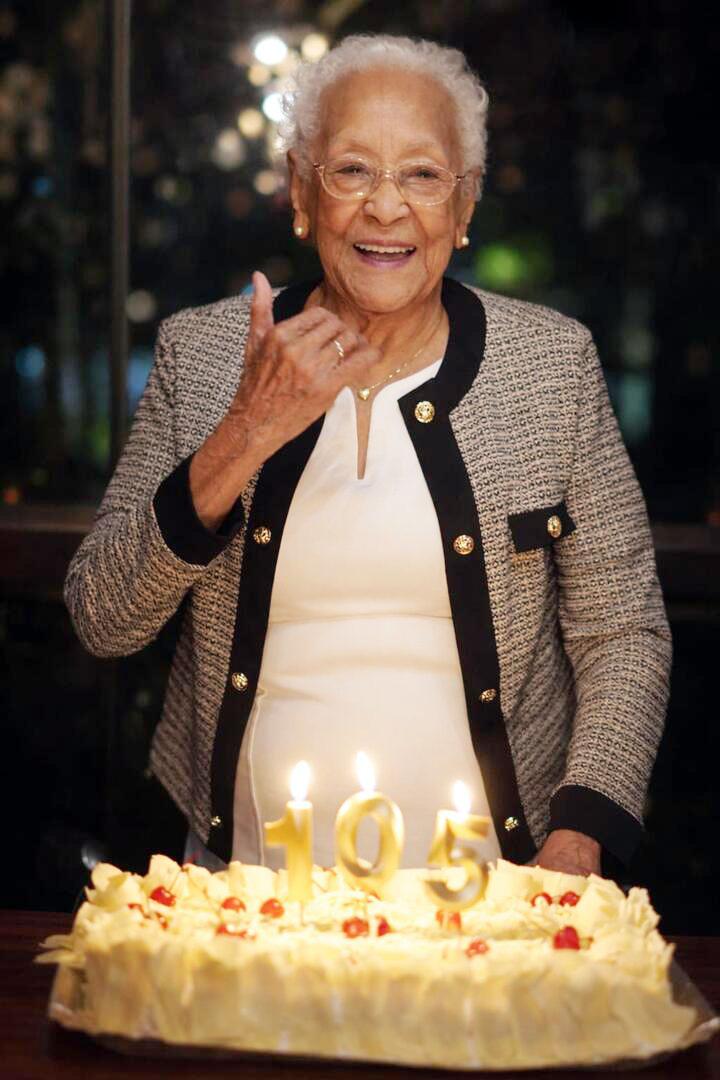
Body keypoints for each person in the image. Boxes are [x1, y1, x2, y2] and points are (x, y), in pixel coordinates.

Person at [64, 33, 671, 880]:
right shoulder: (200, 357)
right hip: (246, 888)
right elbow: (101, 618)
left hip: (496, 891)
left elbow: (623, 632)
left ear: (464, 209)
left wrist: (581, 830)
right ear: (302, 192)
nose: (387, 209)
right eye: (352, 170)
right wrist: (246, 429)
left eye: (422, 175)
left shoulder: (552, 366)